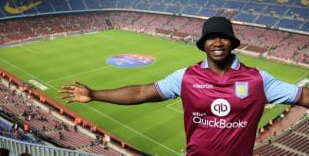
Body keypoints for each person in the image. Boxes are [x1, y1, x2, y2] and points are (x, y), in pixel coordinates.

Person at [60, 16, 309, 156]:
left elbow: (302, 96)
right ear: (203, 44)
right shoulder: (186, 77)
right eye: (211, 38)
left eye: (224, 37)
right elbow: (141, 92)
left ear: (233, 43)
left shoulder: (258, 80)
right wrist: (94, 94)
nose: (218, 43)